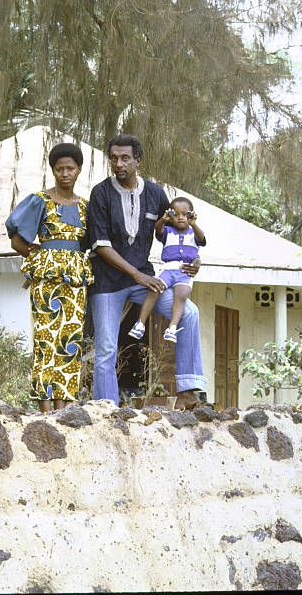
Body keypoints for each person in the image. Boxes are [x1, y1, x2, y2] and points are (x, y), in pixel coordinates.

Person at [87, 134, 208, 409]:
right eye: (114, 158)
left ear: (137, 160)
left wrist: (195, 260)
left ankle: (189, 393)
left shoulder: (155, 194)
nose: (119, 164)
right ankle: (106, 409)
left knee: (189, 312)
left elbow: (180, 230)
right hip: (107, 282)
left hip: (144, 278)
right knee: (106, 347)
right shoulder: (101, 194)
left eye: (125, 158)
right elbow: (101, 246)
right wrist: (137, 275)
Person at [5, 142, 94, 412]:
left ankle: (64, 407)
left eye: (70, 168)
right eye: (59, 169)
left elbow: (92, 243)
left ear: (79, 170)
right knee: (46, 338)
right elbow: (17, 242)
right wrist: (39, 253)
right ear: (53, 171)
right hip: (46, 276)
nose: (65, 173)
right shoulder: (40, 200)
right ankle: (45, 409)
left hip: (75, 277)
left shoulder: (87, 207)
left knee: (71, 339)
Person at [128, 196, 206, 343]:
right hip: (168, 269)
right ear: (170, 216)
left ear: (190, 215)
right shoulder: (168, 231)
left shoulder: (193, 233)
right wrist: (163, 219)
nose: (180, 218)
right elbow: (158, 230)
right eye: (175, 215)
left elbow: (202, 239)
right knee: (155, 288)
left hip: (184, 272)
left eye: (185, 214)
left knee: (182, 294)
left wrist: (194, 224)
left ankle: (172, 327)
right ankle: (140, 323)